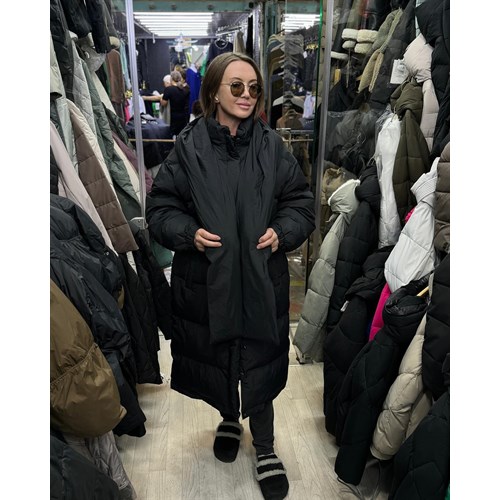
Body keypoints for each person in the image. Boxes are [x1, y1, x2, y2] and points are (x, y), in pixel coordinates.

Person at [146, 52, 315, 500]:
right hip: (210, 281)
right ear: (214, 91)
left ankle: (265, 445)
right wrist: (188, 233)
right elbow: (160, 209)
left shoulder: (272, 147)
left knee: (258, 358)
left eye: (254, 88)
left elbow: (301, 204)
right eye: (236, 86)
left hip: (260, 277)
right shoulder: (189, 147)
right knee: (221, 352)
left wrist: (282, 231)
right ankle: (227, 416)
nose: (247, 95)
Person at [160, 70, 190, 137]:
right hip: (183, 116)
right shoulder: (185, 89)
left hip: (173, 117)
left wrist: (161, 99)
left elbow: (163, 103)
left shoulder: (169, 89)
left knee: (172, 135)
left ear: (171, 79)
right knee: (181, 135)